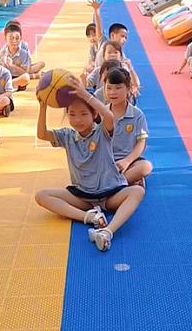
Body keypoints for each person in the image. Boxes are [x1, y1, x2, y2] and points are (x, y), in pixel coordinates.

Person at [35, 76, 144, 252]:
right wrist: (43, 105)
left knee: (137, 191)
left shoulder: (102, 132)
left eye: (84, 114)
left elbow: (108, 116)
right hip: (83, 197)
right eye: (72, 114)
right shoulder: (67, 136)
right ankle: (91, 217)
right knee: (41, 196)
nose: (77, 120)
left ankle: (107, 231)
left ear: (94, 115)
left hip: (110, 194)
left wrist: (86, 95)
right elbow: (42, 134)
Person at [105, 68, 152, 186]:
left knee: (145, 167)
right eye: (109, 88)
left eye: (118, 88)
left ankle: (112, 184)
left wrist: (127, 161)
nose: (112, 92)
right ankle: (123, 183)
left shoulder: (137, 115)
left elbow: (141, 143)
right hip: (105, 161)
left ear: (128, 89)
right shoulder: (102, 113)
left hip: (130, 161)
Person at [0, 22, 45, 90]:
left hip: (21, 72)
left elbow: (26, 69)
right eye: (11, 38)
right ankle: (33, 76)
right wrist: (4, 64)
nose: (14, 41)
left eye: (17, 38)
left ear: (21, 38)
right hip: (9, 75)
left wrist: (12, 66)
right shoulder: (3, 52)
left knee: (28, 75)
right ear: (6, 38)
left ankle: (9, 85)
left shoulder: (24, 50)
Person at [85, 0, 107, 73]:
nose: (92, 38)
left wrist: (96, 11)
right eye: (89, 36)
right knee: (87, 69)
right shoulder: (92, 47)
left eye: (94, 35)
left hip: (108, 68)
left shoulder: (104, 42)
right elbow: (91, 62)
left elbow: (99, 27)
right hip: (99, 69)